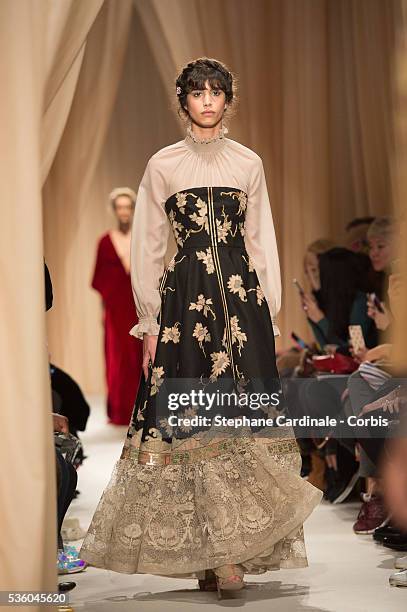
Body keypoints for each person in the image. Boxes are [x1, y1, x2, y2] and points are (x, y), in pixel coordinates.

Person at [80, 57, 322, 595]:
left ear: (229, 100)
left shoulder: (248, 163)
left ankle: (234, 552)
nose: (207, 100)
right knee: (190, 424)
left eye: (217, 91)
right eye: (197, 91)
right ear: (183, 100)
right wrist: (148, 320)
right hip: (185, 303)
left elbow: (261, 238)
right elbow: (146, 244)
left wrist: (269, 310)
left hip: (241, 302)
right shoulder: (162, 164)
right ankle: (215, 554)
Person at [91, 188, 143, 425]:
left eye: (127, 207)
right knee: (117, 356)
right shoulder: (105, 241)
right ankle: (121, 410)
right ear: (114, 210)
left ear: (133, 210)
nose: (123, 211)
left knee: (139, 354)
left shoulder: (142, 238)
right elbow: (99, 278)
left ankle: (141, 408)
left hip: (139, 306)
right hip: (116, 309)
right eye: (119, 207)